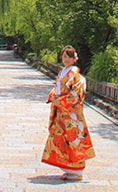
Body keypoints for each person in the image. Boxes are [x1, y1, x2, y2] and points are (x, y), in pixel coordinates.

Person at [41, 45, 95, 182]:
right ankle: (68, 169)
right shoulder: (63, 71)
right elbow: (57, 88)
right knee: (59, 138)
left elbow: (75, 94)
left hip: (70, 114)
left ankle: (76, 170)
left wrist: (61, 101)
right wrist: (53, 97)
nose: (65, 59)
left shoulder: (75, 75)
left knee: (73, 139)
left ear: (74, 59)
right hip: (61, 112)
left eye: (68, 57)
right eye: (64, 56)